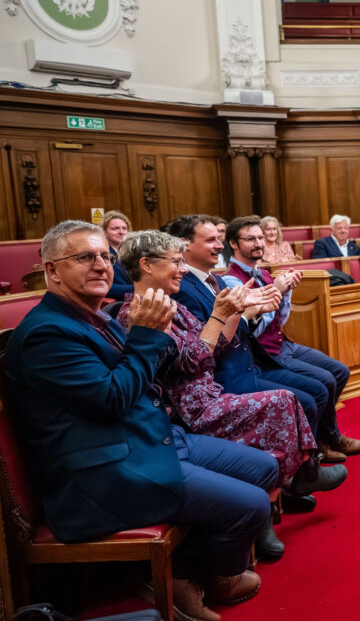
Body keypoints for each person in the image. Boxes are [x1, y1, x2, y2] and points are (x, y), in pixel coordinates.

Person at [4, 220, 278, 621]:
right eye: (84, 257)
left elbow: (148, 378)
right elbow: (111, 400)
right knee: (251, 507)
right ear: (51, 271)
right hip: (105, 472)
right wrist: (148, 336)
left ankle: (186, 565)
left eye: (104, 256)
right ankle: (202, 578)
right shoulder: (48, 334)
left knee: (264, 467)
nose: (100, 266)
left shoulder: (90, 316)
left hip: (149, 439)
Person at [115, 229, 348, 560]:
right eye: (175, 262)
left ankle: (291, 486)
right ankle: (279, 499)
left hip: (208, 392)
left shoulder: (169, 305)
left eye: (182, 262)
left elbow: (215, 346)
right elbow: (191, 361)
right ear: (146, 265)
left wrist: (235, 310)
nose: (181, 268)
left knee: (286, 399)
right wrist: (219, 314)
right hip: (190, 408)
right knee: (281, 402)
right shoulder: (138, 312)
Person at [223, 216, 360, 463]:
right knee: (322, 385)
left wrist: (286, 292)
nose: (258, 243)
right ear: (233, 244)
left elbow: (281, 317)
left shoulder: (263, 274)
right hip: (264, 353)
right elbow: (249, 331)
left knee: (340, 371)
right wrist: (277, 290)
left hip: (283, 343)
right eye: (250, 239)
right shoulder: (233, 280)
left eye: (260, 237)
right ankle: (324, 443)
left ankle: (326, 436)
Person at [100, 210, 134, 299]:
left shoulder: (133, 251)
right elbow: (103, 286)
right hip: (118, 304)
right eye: (115, 228)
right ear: (103, 231)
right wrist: (138, 289)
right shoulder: (101, 254)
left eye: (124, 228)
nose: (121, 232)